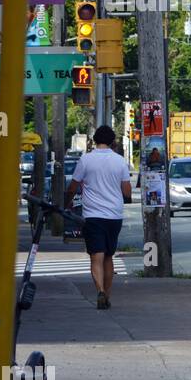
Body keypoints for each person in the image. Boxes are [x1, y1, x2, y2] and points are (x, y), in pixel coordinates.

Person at [66, 125, 131, 310]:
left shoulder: (86, 160)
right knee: (109, 256)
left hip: (93, 215)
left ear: (94, 140)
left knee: (96, 256)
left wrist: (66, 203)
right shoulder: (120, 161)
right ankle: (107, 295)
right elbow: (126, 191)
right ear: (113, 141)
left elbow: (73, 186)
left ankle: (100, 290)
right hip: (114, 215)